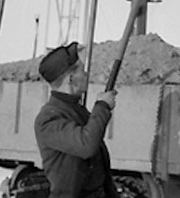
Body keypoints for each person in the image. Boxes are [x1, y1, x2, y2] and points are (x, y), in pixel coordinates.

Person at [35, 42, 119, 198]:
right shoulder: (48, 119)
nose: (86, 74)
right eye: (82, 70)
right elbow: (86, 145)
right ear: (71, 79)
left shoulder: (75, 109)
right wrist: (102, 106)